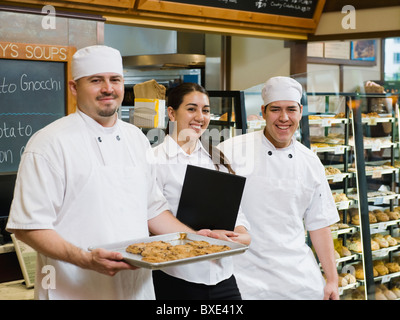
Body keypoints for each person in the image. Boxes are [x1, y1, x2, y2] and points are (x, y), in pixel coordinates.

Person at [6, 45, 216, 300]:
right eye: (96, 80)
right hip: (75, 291)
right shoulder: (49, 143)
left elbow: (153, 209)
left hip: (137, 289)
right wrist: (85, 259)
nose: (108, 88)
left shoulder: (136, 139)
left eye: (114, 79)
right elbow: (28, 227)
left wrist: (196, 239)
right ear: (74, 88)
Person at [218, 76, 339, 300]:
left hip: (298, 279)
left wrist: (331, 279)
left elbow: (319, 224)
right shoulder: (230, 152)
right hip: (244, 279)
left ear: (301, 111)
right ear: (263, 111)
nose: (284, 118)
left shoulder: (310, 162)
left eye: (291, 109)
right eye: (276, 109)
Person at [151, 82, 250, 300]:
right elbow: (151, 217)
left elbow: (235, 213)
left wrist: (242, 235)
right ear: (171, 113)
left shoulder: (217, 158)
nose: (200, 116)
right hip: (176, 276)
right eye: (191, 109)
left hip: (222, 276)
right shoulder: (154, 160)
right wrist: (199, 238)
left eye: (205, 110)